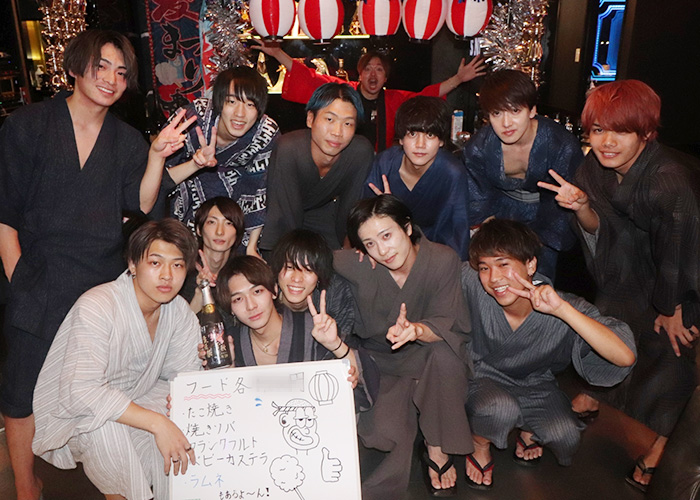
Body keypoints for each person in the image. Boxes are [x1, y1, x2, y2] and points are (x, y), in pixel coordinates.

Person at [0, 29, 195, 500]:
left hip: (101, 282)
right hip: (40, 276)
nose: (111, 79)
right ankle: (26, 485)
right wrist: (20, 283)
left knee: (97, 384)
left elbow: (141, 205)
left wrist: (155, 156)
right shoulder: (27, 126)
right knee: (20, 389)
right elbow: (4, 218)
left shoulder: (126, 141)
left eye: (121, 72)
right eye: (101, 66)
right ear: (74, 67)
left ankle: (110, 475)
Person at [540, 79, 700, 492]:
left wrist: (674, 306)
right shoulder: (594, 167)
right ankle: (599, 391)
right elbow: (601, 227)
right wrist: (582, 207)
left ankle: (663, 444)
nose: (607, 142)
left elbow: (682, 249)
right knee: (611, 316)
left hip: (684, 267)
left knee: (672, 349)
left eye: (622, 131)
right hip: (629, 259)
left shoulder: (671, 181)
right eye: (598, 130)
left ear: (646, 133)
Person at [32, 219, 202, 500]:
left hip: (139, 396)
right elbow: (81, 391)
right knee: (106, 427)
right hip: (77, 410)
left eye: (177, 265)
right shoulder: (98, 305)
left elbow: (184, 376)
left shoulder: (179, 311)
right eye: (155, 263)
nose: (167, 276)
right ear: (133, 264)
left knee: (182, 416)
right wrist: (157, 423)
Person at [461, 218, 636, 489]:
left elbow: (624, 356)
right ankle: (479, 443)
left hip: (534, 384)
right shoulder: (472, 282)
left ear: (531, 265)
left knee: (566, 435)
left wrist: (562, 311)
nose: (494, 278)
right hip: (483, 377)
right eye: (485, 267)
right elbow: (426, 267)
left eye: (504, 264)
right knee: (499, 409)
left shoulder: (562, 303)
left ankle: (528, 429)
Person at [334, 195, 473, 498]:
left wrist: (416, 330)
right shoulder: (358, 263)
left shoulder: (442, 260)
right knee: (381, 435)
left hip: (428, 355)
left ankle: (437, 447)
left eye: (387, 236)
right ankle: (421, 408)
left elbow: (449, 322)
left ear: (407, 228)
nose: (382, 250)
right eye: (370, 243)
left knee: (445, 356)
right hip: (381, 362)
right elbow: (311, 260)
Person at [213, 256, 377, 411]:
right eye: (238, 299)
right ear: (230, 309)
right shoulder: (228, 346)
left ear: (274, 290)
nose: (251, 306)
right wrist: (228, 369)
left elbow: (362, 391)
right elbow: (224, 409)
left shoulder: (313, 330)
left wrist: (335, 345)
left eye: (257, 292)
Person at [462, 69, 583, 278]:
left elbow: (567, 202)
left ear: (532, 110)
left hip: (547, 213)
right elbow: (478, 198)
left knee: (538, 278)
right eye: (497, 113)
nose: (506, 123)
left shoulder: (561, 144)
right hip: (499, 213)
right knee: (494, 273)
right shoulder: (478, 147)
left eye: (515, 111)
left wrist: (537, 242)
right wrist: (495, 237)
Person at [255, 42, 486, 151]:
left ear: (385, 78)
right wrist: (277, 53)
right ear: (360, 74)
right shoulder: (345, 92)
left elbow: (426, 95)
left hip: (379, 161)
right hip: (343, 158)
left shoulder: (394, 98)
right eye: (368, 69)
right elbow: (310, 78)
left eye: (379, 70)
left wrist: (458, 79)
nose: (373, 74)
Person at [160, 66, 280, 255]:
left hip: (236, 199)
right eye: (232, 101)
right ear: (218, 101)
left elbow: (259, 190)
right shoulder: (192, 119)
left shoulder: (265, 133)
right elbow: (160, 178)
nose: (240, 114)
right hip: (185, 188)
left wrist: (251, 247)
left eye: (250, 105)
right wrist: (194, 164)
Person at [259, 83, 375, 252]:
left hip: (328, 217)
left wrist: (350, 247)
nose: (337, 132)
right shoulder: (289, 149)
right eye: (330, 119)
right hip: (285, 220)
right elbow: (283, 213)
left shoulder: (360, 152)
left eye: (348, 124)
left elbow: (352, 206)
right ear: (310, 119)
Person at [365, 96, 470, 259]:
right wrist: (385, 211)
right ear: (401, 138)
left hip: (434, 249)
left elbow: (457, 231)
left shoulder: (452, 173)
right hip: (386, 246)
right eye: (413, 134)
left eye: (430, 135)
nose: (420, 144)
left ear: (441, 141)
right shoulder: (384, 164)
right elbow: (364, 217)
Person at [269, 229, 356, 337]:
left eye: (308, 270)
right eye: (290, 267)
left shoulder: (335, 294)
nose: (297, 279)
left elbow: (344, 340)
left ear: (319, 275)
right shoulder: (263, 296)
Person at [178, 196, 244, 313]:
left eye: (228, 223)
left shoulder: (242, 274)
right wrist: (201, 291)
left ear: (237, 232)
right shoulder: (182, 270)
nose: (220, 232)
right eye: (212, 222)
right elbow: (177, 323)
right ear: (199, 230)